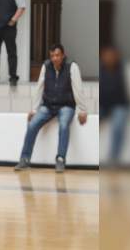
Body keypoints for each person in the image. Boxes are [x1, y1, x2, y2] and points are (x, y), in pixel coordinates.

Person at [14, 44, 88, 173]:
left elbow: (78, 88)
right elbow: (39, 88)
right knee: (32, 125)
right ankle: (24, 159)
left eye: (57, 55)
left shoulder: (72, 66)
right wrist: (34, 109)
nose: (55, 58)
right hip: (48, 106)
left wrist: (82, 110)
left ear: (63, 55)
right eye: (52, 55)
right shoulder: (46, 66)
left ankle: (60, 159)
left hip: (66, 106)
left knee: (64, 125)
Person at [99, 44, 130, 165]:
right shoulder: (100, 69)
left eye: (111, 56)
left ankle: (113, 159)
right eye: (106, 56)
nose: (108, 59)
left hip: (121, 104)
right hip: (103, 105)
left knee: (118, 125)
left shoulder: (126, 69)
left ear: (117, 56)